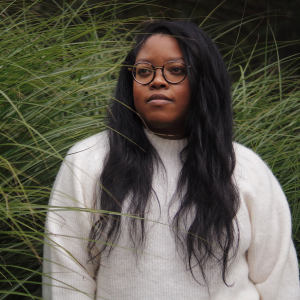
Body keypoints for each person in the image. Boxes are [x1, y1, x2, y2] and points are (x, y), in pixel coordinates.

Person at [42, 21, 300, 300]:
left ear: (204, 80)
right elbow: (67, 280)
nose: (157, 80)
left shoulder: (246, 169)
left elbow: (278, 283)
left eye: (176, 70)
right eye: (143, 71)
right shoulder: (87, 161)